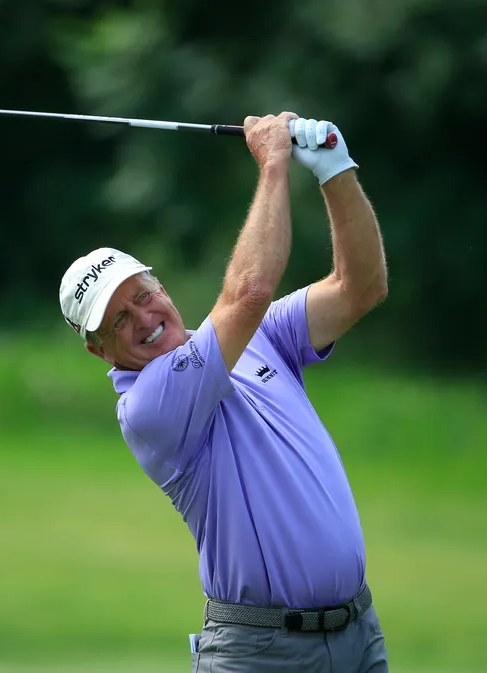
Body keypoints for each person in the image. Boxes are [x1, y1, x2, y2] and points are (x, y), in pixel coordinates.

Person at [59, 112, 389, 672]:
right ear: (101, 351)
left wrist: (335, 168)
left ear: (162, 286)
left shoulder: (260, 337)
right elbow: (250, 292)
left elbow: (361, 287)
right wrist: (274, 163)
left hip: (359, 634)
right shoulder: (148, 406)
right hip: (261, 652)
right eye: (118, 321)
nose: (143, 318)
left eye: (143, 295)